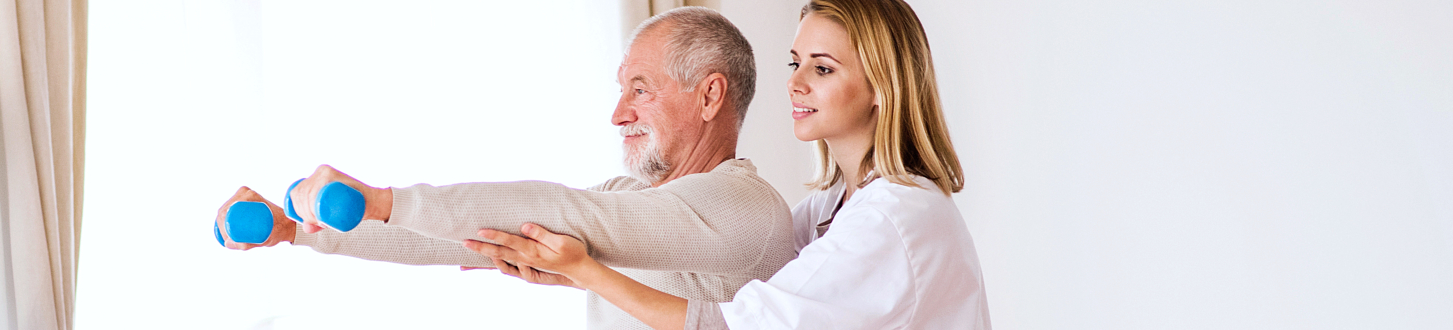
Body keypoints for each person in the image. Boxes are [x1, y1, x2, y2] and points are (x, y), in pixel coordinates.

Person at [213, 7, 802, 330]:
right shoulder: (628, 199)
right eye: (621, 89)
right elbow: (469, 241)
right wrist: (300, 232)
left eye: (640, 90)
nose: (618, 113)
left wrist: (381, 198)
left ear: (708, 97)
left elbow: (565, 213)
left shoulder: (742, 206)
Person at [460, 0, 991, 329]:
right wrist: (574, 272)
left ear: (882, 86)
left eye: (823, 68)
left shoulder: (894, 219)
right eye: (795, 62)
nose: (796, 82)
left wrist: (587, 272)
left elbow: (729, 324)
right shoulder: (827, 212)